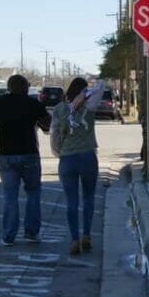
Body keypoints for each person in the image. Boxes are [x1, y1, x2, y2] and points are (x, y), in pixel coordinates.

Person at [0, 74, 51, 246]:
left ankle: (8, 236)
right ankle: (32, 232)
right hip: (29, 154)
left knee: (10, 196)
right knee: (33, 194)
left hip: (6, 156)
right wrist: (40, 124)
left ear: (9, 87)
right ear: (26, 87)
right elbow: (47, 124)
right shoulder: (33, 103)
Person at [50, 77, 103, 255]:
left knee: (71, 201)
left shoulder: (59, 109)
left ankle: (74, 240)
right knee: (89, 197)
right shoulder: (90, 108)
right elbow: (101, 86)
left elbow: (54, 134)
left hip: (67, 158)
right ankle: (86, 235)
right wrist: (89, 91)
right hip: (88, 155)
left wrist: (59, 152)